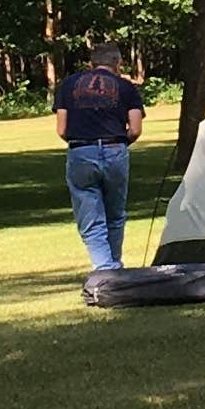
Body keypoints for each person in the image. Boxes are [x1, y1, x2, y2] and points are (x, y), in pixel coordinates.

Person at [53, 30, 148, 272]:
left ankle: (106, 268)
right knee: (115, 214)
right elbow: (135, 129)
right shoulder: (126, 87)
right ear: (118, 63)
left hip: (81, 150)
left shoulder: (68, 85)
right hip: (115, 149)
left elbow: (62, 129)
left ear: (91, 63)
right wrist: (118, 144)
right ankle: (113, 267)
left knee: (90, 216)